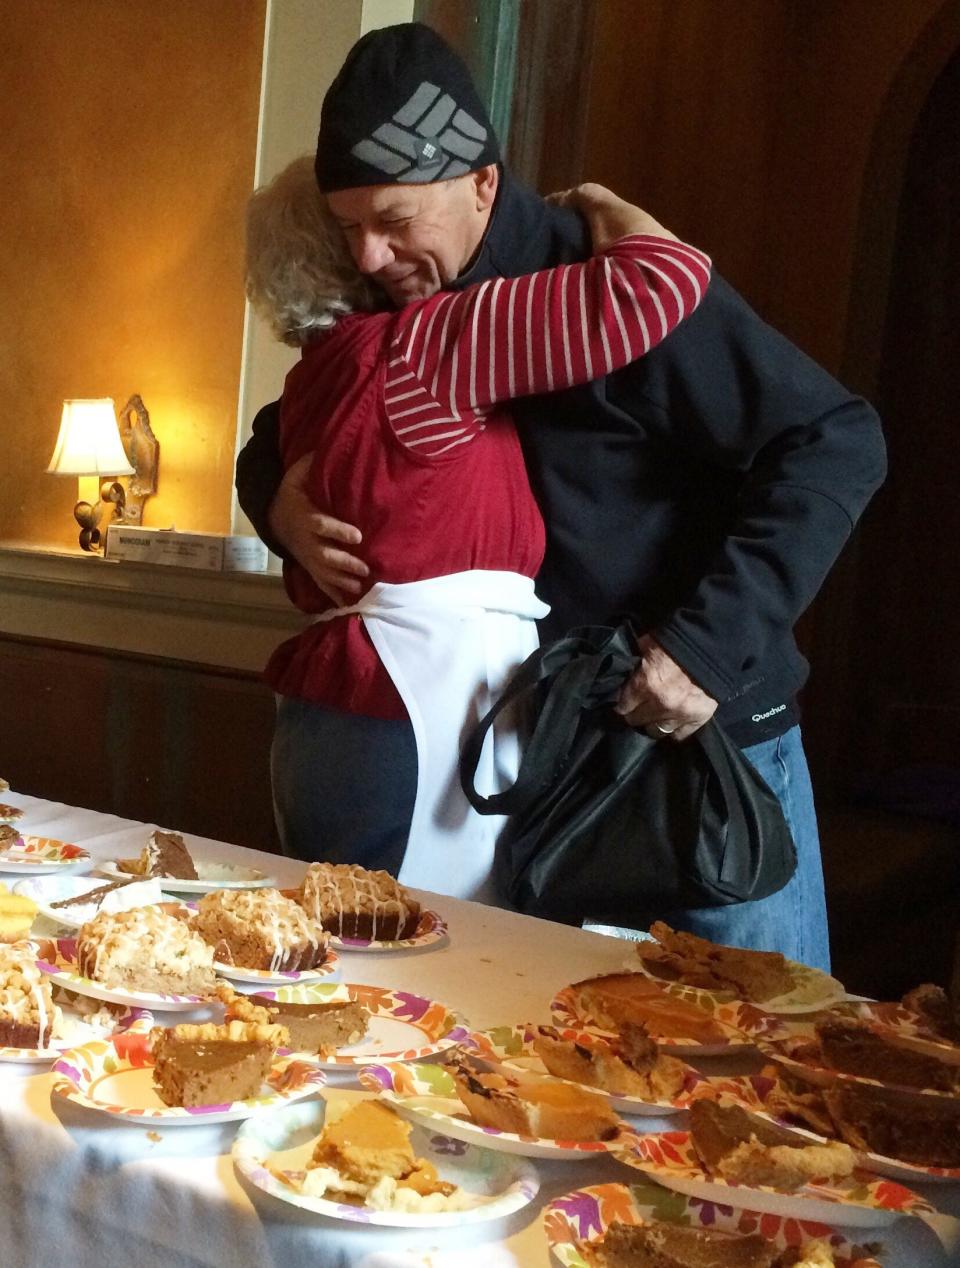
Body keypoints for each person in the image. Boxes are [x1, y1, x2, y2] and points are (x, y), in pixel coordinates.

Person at [236, 24, 887, 970]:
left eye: (393, 219)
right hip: (537, 758)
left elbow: (837, 438)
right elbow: (276, 431)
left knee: (766, 1052)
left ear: (482, 185)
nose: (369, 258)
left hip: (700, 739)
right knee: (563, 1083)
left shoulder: (610, 282)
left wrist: (701, 649)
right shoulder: (400, 298)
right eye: (348, 229)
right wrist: (283, 514)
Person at [245, 156, 711, 902]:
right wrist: (602, 202)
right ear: (353, 250)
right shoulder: (423, 351)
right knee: (428, 965)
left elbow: (263, 455)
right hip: (416, 702)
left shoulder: (316, 378)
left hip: (340, 700)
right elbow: (662, 279)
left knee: (345, 961)